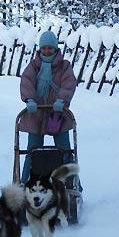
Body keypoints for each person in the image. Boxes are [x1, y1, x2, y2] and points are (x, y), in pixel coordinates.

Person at [19, 30, 77, 182]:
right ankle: (26, 183)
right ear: (39, 49)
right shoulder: (33, 66)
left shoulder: (64, 66)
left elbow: (69, 83)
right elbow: (26, 81)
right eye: (44, 48)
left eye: (50, 48)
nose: (47, 51)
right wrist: (29, 99)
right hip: (36, 113)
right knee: (32, 150)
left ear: (55, 49)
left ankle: (72, 184)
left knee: (65, 149)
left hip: (56, 114)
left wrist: (62, 100)